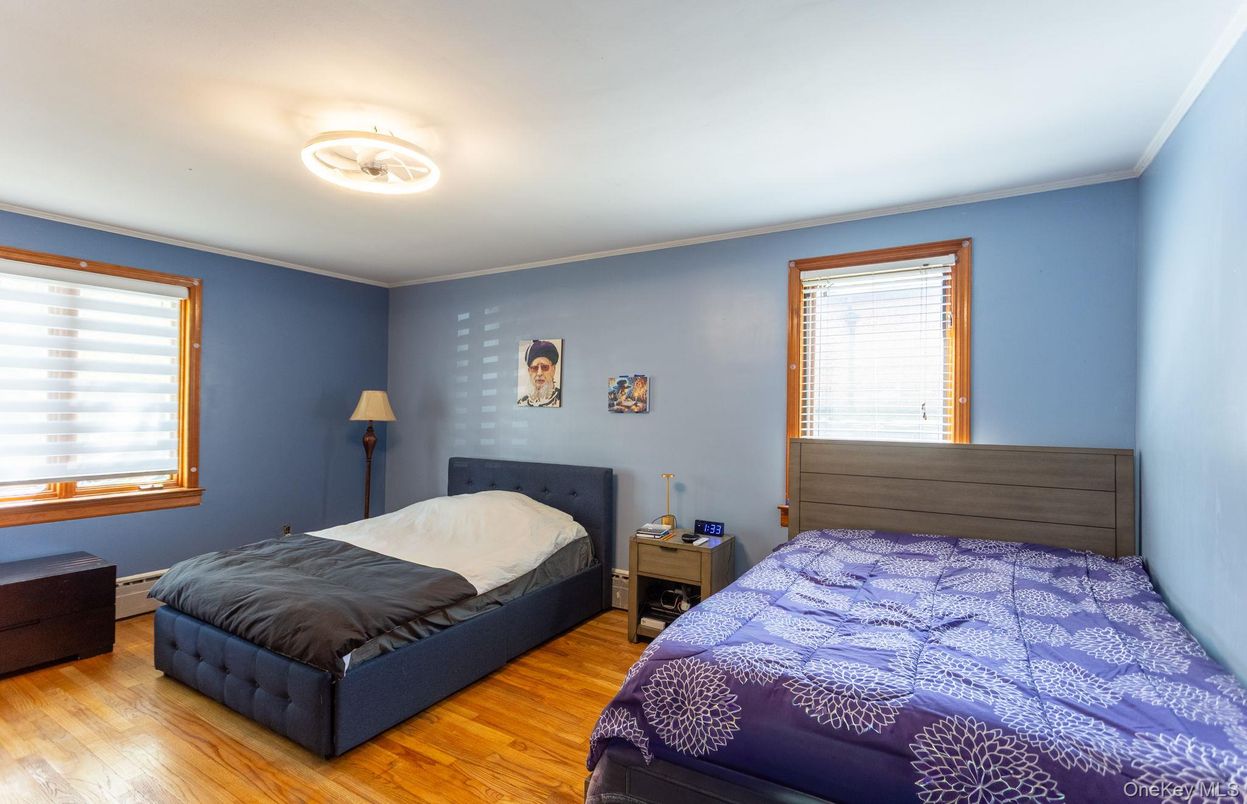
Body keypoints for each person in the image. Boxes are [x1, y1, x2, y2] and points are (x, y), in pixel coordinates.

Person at [518, 340, 562, 407]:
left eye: (544, 367)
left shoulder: (561, 398)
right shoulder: (521, 402)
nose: (539, 373)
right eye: (534, 368)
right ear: (529, 371)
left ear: (553, 370)